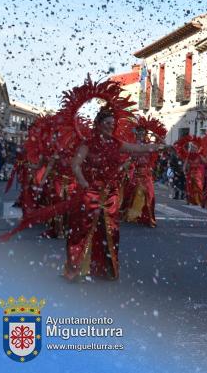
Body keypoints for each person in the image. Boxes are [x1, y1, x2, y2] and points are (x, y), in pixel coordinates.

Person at [66, 106, 166, 280]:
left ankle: (104, 268)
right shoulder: (88, 144)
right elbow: (76, 164)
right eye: (107, 123)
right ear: (98, 124)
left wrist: (159, 146)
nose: (110, 126)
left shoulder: (116, 143)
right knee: (84, 230)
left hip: (111, 194)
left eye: (113, 123)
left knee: (110, 232)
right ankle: (77, 268)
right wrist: (84, 183)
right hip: (91, 192)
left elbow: (138, 148)